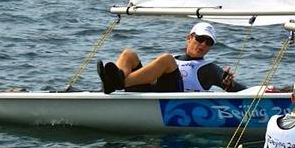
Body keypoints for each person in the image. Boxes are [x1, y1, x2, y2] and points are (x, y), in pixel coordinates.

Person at [97, 22, 245, 94]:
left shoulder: (209, 69)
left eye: (209, 42)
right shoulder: (174, 58)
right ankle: (114, 82)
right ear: (189, 38)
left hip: (174, 96)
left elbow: (240, 90)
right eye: (200, 39)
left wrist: (229, 84)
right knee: (128, 54)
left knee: (166, 59)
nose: (203, 45)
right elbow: (148, 78)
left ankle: (114, 83)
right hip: (154, 92)